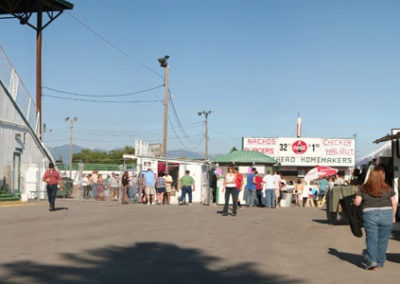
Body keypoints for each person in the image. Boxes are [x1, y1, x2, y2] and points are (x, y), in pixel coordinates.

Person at [353, 166, 397, 270]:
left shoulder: (363, 188)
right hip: (387, 214)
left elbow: (357, 202)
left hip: (369, 215)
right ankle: (380, 262)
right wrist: (393, 216)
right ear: (382, 176)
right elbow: (394, 203)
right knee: (383, 240)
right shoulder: (388, 188)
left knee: (372, 239)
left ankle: (372, 261)